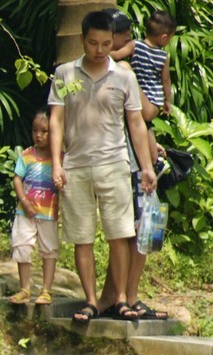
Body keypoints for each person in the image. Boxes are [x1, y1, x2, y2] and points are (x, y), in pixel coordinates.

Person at [48, 10, 157, 323]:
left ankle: (121, 299)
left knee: (119, 234)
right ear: (82, 39)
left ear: (114, 42)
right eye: (93, 43)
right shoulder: (65, 73)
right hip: (76, 166)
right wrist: (57, 162)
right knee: (82, 237)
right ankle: (92, 302)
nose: (99, 49)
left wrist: (146, 167)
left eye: (106, 43)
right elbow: (55, 120)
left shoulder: (124, 76)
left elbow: (136, 123)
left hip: (114, 164)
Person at [99, 7, 169, 320]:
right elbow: (146, 113)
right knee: (140, 231)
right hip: (128, 162)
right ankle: (128, 297)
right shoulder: (122, 68)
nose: (129, 39)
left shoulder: (96, 69)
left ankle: (116, 297)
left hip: (123, 159)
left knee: (132, 232)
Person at [110, 9, 176, 169]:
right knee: (146, 125)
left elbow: (116, 56)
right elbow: (166, 80)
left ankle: (153, 160)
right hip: (155, 100)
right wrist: (168, 101)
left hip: (142, 99)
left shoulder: (135, 45)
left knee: (143, 122)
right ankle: (154, 160)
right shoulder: (163, 56)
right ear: (164, 37)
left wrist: (98, 51)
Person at [8, 108, 59, 306]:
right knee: (22, 246)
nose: (39, 135)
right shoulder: (26, 155)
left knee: (49, 250)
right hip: (25, 212)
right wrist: (24, 201)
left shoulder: (58, 159)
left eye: (44, 131)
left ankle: (46, 290)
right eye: (35, 131)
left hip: (48, 213)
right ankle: (25, 288)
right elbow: (17, 179)